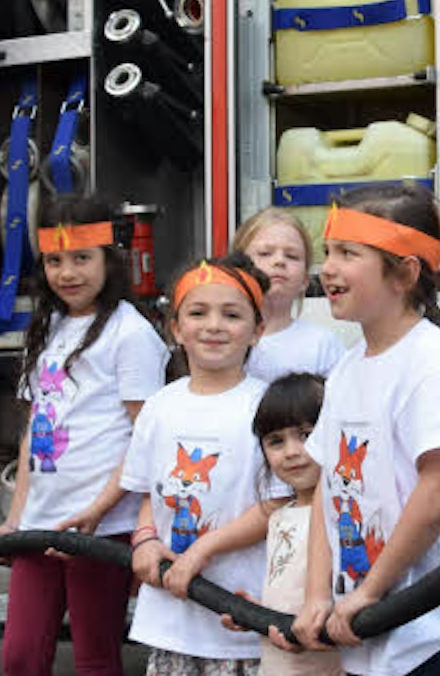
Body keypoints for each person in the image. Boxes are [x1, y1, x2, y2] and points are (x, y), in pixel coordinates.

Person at [291, 187, 440, 676]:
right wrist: (318, 595)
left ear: (405, 274)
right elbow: (329, 487)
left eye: (349, 254)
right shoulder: (346, 369)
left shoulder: (433, 363)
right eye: (328, 252)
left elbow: (439, 489)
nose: (328, 268)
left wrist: (370, 591)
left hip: (434, 627)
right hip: (366, 622)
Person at [0, 195, 172, 676]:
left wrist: (98, 511)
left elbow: (146, 439)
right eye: (54, 260)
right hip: (40, 524)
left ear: (109, 259)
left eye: (82, 258)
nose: (67, 273)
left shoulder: (131, 334)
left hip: (101, 528)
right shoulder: (48, 328)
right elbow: (34, 431)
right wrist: (15, 520)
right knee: (20, 657)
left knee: (95, 657)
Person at [124, 255, 274, 675]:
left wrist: (202, 551)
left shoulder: (267, 406)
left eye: (232, 315)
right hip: (170, 621)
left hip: (239, 617)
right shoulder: (158, 406)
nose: (214, 325)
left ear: (257, 330)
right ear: (175, 328)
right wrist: (145, 539)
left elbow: (280, 504)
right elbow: (150, 495)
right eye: (198, 312)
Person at [176, 372, 343, 676]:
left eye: (306, 435)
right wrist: (256, 614)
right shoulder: (279, 517)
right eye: (276, 441)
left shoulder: (341, 515)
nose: (292, 452)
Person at [236, 208, 343, 381]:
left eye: (292, 256)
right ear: (239, 270)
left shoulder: (322, 346)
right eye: (265, 253)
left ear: (305, 280)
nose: (279, 261)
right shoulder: (223, 339)